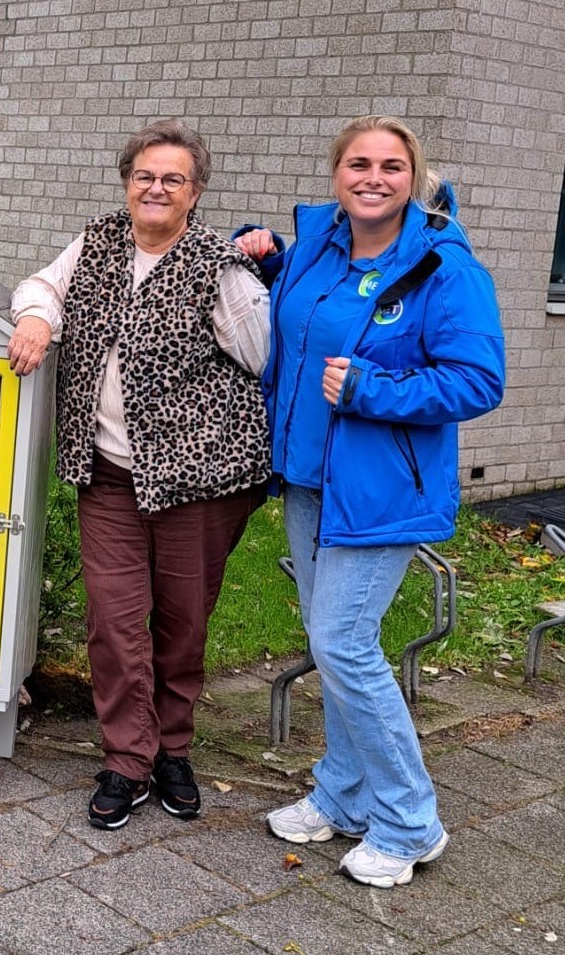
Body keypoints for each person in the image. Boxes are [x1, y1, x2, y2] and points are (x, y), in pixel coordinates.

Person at [234, 115, 505, 888]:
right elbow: (306, 311)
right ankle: (344, 793)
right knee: (333, 646)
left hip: (382, 489)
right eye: (358, 163)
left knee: (345, 645)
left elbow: (477, 379)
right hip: (309, 478)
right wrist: (268, 252)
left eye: (390, 165)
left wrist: (367, 387)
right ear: (336, 173)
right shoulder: (319, 245)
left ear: (410, 175)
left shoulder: (443, 267)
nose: (372, 177)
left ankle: (409, 819)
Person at [7, 119, 270, 829]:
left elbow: (260, 360)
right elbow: (39, 285)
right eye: (143, 176)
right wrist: (37, 318)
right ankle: (127, 758)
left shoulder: (219, 265)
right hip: (111, 474)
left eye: (172, 178)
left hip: (202, 480)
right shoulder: (95, 241)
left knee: (180, 625)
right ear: (127, 182)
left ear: (195, 191)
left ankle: (172, 751)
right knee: (114, 623)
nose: (155, 188)